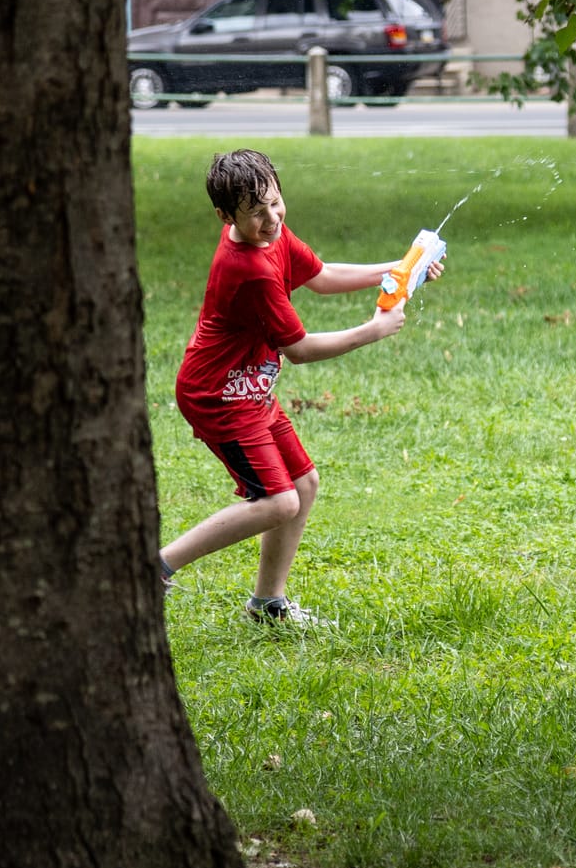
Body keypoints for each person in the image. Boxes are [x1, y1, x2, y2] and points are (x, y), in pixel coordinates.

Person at [159, 149, 439, 624]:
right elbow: (301, 349)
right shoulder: (250, 270)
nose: (272, 219)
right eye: (256, 212)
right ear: (226, 215)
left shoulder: (271, 234)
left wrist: (400, 268)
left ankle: (268, 605)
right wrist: (373, 330)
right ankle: (158, 566)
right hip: (218, 396)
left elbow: (322, 275)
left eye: (275, 203)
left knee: (303, 485)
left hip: (249, 387)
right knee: (279, 500)